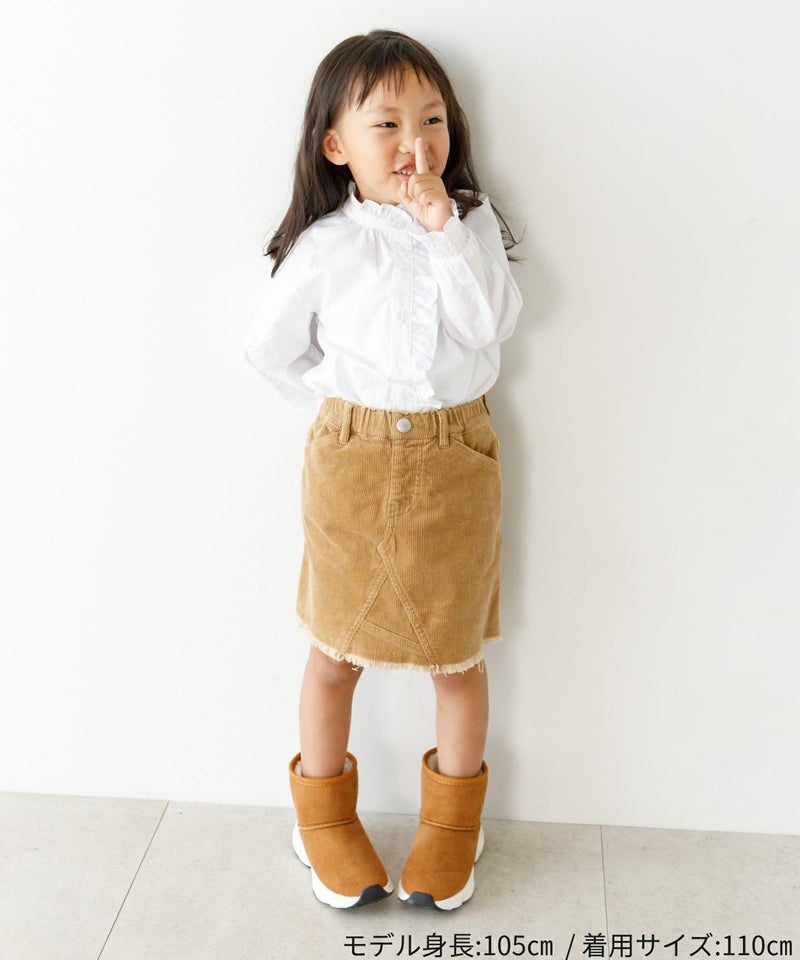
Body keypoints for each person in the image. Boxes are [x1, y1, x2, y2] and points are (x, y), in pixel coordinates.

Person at [244, 28, 523, 911]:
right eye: (388, 122)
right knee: (334, 651)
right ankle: (322, 818)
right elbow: (270, 350)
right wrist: (342, 415)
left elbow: (488, 328)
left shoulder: (471, 225)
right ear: (337, 145)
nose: (415, 141)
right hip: (351, 465)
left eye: (432, 119)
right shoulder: (326, 245)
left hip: (454, 460)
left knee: (456, 657)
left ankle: (453, 826)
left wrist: (443, 231)